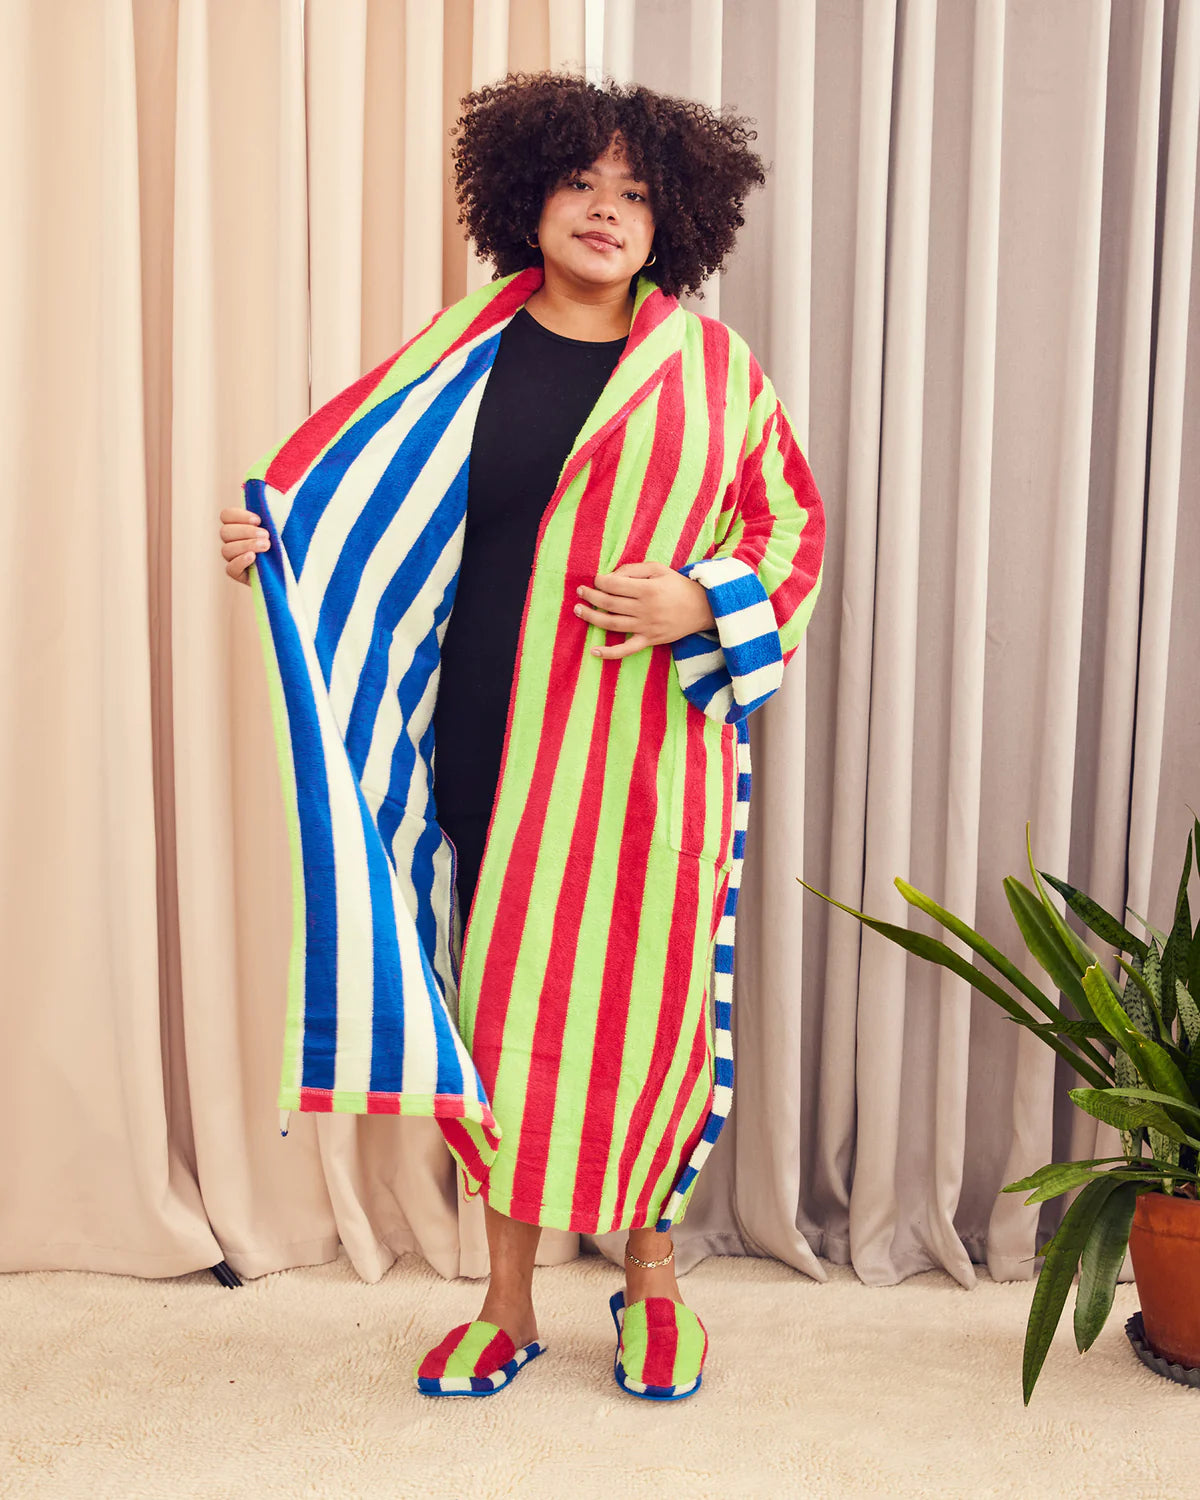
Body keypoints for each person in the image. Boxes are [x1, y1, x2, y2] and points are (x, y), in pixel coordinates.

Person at [218, 70, 825, 1402]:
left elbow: (790, 531)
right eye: (579, 183)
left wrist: (701, 600)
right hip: (482, 734)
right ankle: (506, 1301)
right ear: (526, 197)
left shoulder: (716, 372)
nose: (605, 211)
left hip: (642, 751)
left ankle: (652, 1283)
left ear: (672, 222)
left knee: (645, 1007)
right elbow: (351, 492)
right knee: (496, 1011)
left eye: (634, 194)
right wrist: (272, 533)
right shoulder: (459, 351)